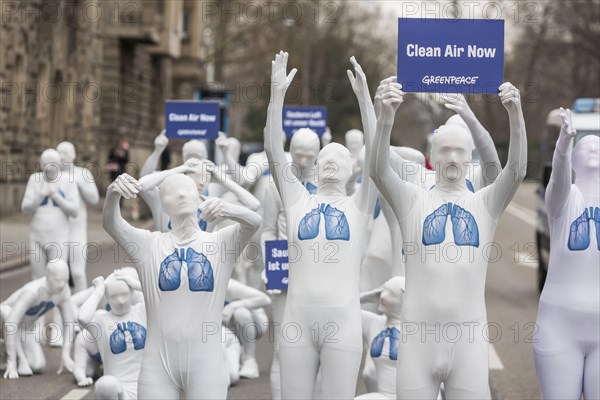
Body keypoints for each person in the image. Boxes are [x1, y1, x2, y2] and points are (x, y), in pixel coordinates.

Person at [370, 79, 526, 399]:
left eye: (460, 151)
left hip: (468, 343)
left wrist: (515, 115)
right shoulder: (411, 199)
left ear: (470, 157)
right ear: (432, 156)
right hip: (417, 342)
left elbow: (515, 171)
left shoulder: (485, 203)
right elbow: (378, 170)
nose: (453, 157)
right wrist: (385, 117)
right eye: (445, 150)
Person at [265, 52, 378, 399]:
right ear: (315, 168)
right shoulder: (298, 200)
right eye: (324, 158)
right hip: (296, 323)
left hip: (343, 325)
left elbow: (376, 154)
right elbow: (273, 150)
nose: (331, 161)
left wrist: (364, 100)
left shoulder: (359, 206)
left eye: (340, 158)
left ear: (353, 170)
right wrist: (276, 95)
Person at [102, 172, 261, 399]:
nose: (181, 195)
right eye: (171, 192)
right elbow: (112, 224)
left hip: (206, 364)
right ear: (162, 206)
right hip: (157, 364)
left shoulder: (220, 243)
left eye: (188, 190)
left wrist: (228, 209)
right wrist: (112, 194)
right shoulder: (148, 245)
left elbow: (254, 222)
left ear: (200, 198)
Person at [533, 108, 600, 400]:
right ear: (574, 158)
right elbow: (558, 181)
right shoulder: (562, 201)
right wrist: (563, 144)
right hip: (558, 324)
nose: (594, 147)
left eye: (599, 145)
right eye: (587, 146)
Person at [261, 127, 320, 399]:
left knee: (320, 347)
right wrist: (268, 267)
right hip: (283, 272)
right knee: (283, 347)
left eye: (310, 156)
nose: (304, 162)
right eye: (298, 155)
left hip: (320, 274)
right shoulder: (276, 185)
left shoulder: (330, 183)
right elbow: (268, 230)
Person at [74, 270, 146, 399]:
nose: (121, 301)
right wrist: (98, 290)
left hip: (149, 388)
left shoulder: (143, 311)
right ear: (106, 298)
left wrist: (135, 283)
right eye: (113, 296)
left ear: (132, 293)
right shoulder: (101, 321)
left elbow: (164, 296)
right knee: (105, 384)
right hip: (122, 390)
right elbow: (82, 317)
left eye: (125, 294)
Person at [1, 259, 75, 379]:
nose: (61, 285)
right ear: (47, 276)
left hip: (23, 330)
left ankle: (5, 352)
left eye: (65, 280)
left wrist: (66, 355)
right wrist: (12, 362)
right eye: (57, 280)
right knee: (6, 312)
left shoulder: (64, 291)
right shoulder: (33, 291)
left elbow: (69, 323)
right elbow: (10, 323)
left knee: (37, 365)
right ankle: (9, 354)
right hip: (4, 323)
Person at [22, 149, 79, 280]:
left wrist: (56, 196)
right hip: (37, 236)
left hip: (58, 237)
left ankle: (59, 301)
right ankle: (40, 300)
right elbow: (25, 209)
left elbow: (75, 211)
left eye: (52, 162)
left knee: (58, 276)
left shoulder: (68, 180)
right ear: (41, 164)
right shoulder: (35, 179)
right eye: (45, 162)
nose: (49, 166)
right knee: (38, 276)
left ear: (59, 163)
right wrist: (40, 195)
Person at [56, 142, 100, 293]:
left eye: (66, 152)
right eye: (59, 153)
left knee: (78, 273)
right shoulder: (52, 174)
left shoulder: (83, 174)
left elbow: (94, 199)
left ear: (74, 155)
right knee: (58, 275)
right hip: (57, 230)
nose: (62, 156)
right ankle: (60, 312)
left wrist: (81, 184)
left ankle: (82, 308)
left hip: (77, 229)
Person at [223, 279, 271, 379]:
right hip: (227, 329)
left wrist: (233, 305)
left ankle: (249, 360)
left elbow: (265, 299)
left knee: (241, 312)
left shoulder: (229, 285)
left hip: (255, 324)